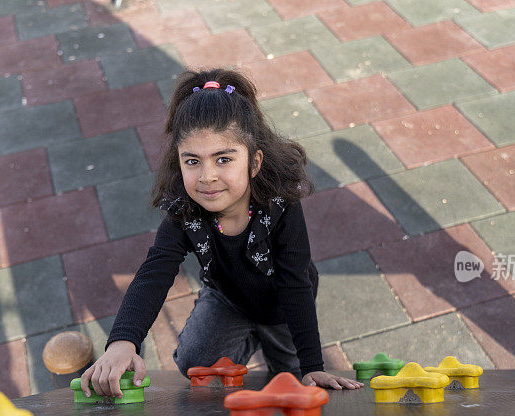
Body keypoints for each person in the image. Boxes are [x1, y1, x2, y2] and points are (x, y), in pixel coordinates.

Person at [80, 67, 363, 399]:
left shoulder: (279, 204)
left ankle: (272, 346)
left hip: (281, 305)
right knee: (194, 366)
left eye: (223, 159)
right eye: (192, 161)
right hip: (227, 298)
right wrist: (122, 341)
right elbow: (155, 271)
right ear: (179, 161)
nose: (207, 177)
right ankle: (244, 339)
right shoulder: (184, 208)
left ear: (254, 162)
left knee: (292, 378)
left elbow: (295, 280)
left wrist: (312, 363)